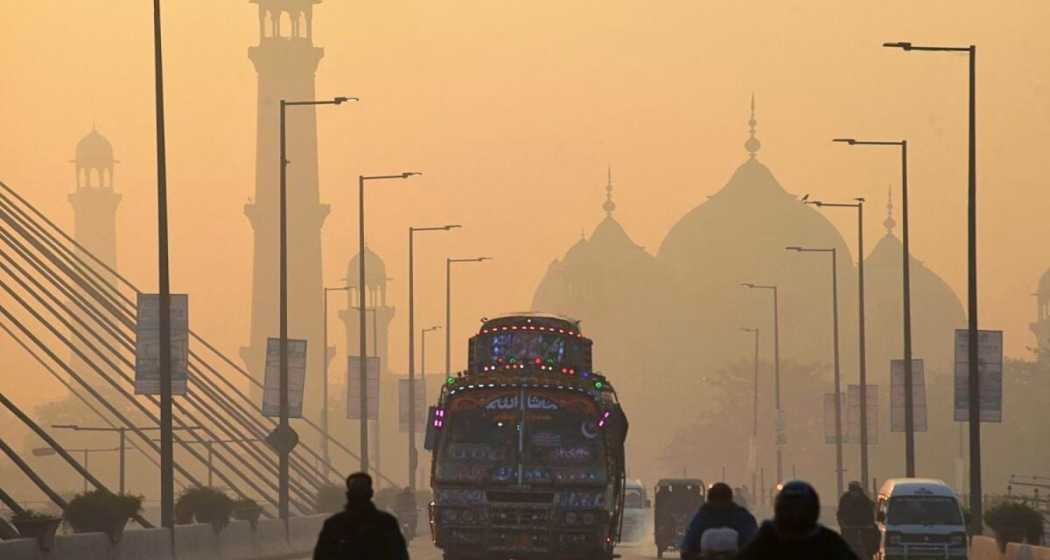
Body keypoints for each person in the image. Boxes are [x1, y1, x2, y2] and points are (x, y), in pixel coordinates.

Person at [737, 480, 858, 560]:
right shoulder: (827, 540)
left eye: (801, 509)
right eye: (789, 509)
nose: (795, 516)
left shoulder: (766, 539)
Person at [313, 472, 409, 560]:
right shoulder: (387, 522)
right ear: (371, 493)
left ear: (348, 494)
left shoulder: (333, 524)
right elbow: (400, 556)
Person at [680, 482, 758, 559]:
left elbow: (686, 549)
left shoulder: (702, 517)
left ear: (709, 500)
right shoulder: (742, 517)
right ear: (730, 499)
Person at [837, 481, 876, 557]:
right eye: (852, 489)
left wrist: (870, 524)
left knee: (870, 545)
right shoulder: (845, 499)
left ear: (859, 490)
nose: (854, 492)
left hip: (864, 528)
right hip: (848, 528)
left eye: (855, 490)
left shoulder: (865, 499)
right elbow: (840, 513)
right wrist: (842, 524)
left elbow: (870, 512)